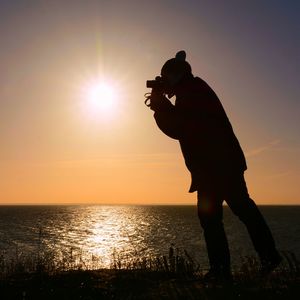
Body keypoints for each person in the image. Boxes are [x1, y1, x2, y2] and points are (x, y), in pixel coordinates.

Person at [147, 50, 282, 281]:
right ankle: (257, 260)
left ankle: (226, 269)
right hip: (218, 165)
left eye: (165, 78)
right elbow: (183, 125)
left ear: (176, 76)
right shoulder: (193, 89)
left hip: (217, 166)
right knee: (234, 212)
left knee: (220, 216)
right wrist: (163, 106)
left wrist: (161, 107)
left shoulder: (191, 92)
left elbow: (181, 127)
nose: (163, 84)